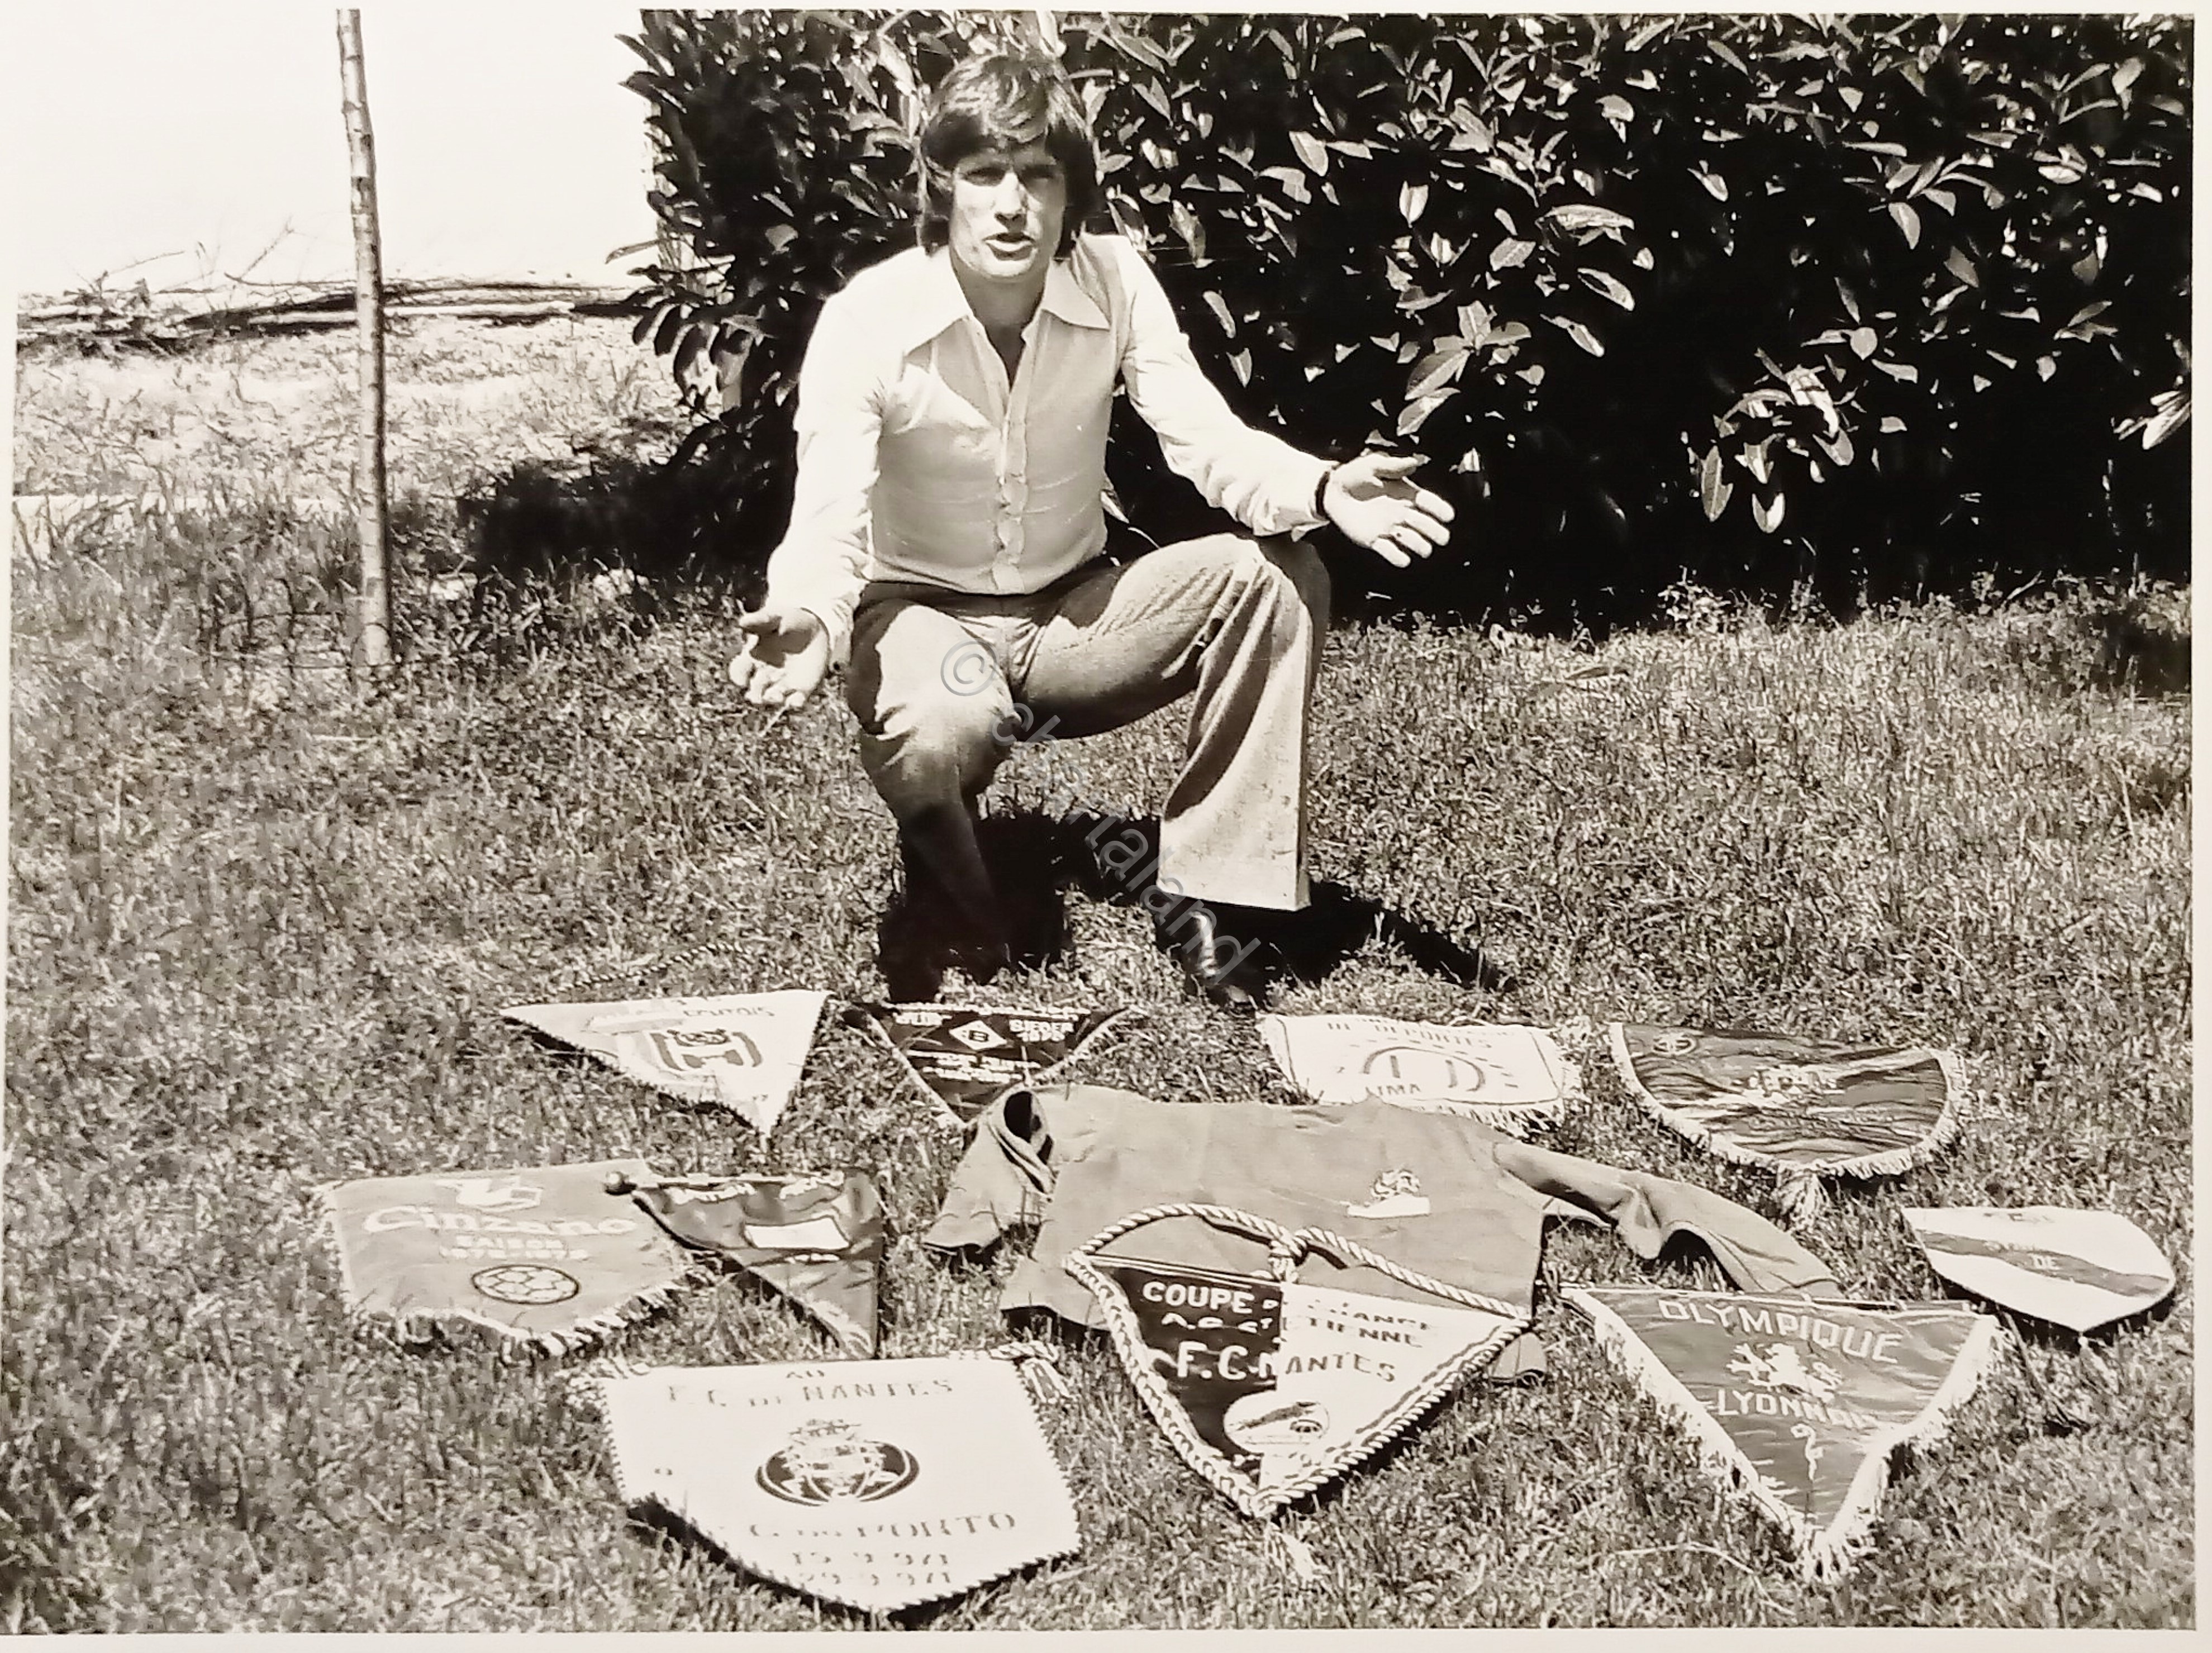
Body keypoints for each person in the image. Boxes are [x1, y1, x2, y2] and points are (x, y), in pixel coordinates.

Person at [729, 52, 1453, 1008]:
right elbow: (829, 512)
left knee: (1278, 580)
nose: (1012, 205)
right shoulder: (868, 319)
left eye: (1039, 176)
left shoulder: (1113, 281)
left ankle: (1215, 898)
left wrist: (1323, 490)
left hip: (1073, 617)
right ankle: (948, 875)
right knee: (944, 722)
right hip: (924, 622)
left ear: (1072, 196)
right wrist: (813, 621)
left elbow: (1205, 439)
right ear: (942, 189)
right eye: (985, 174)